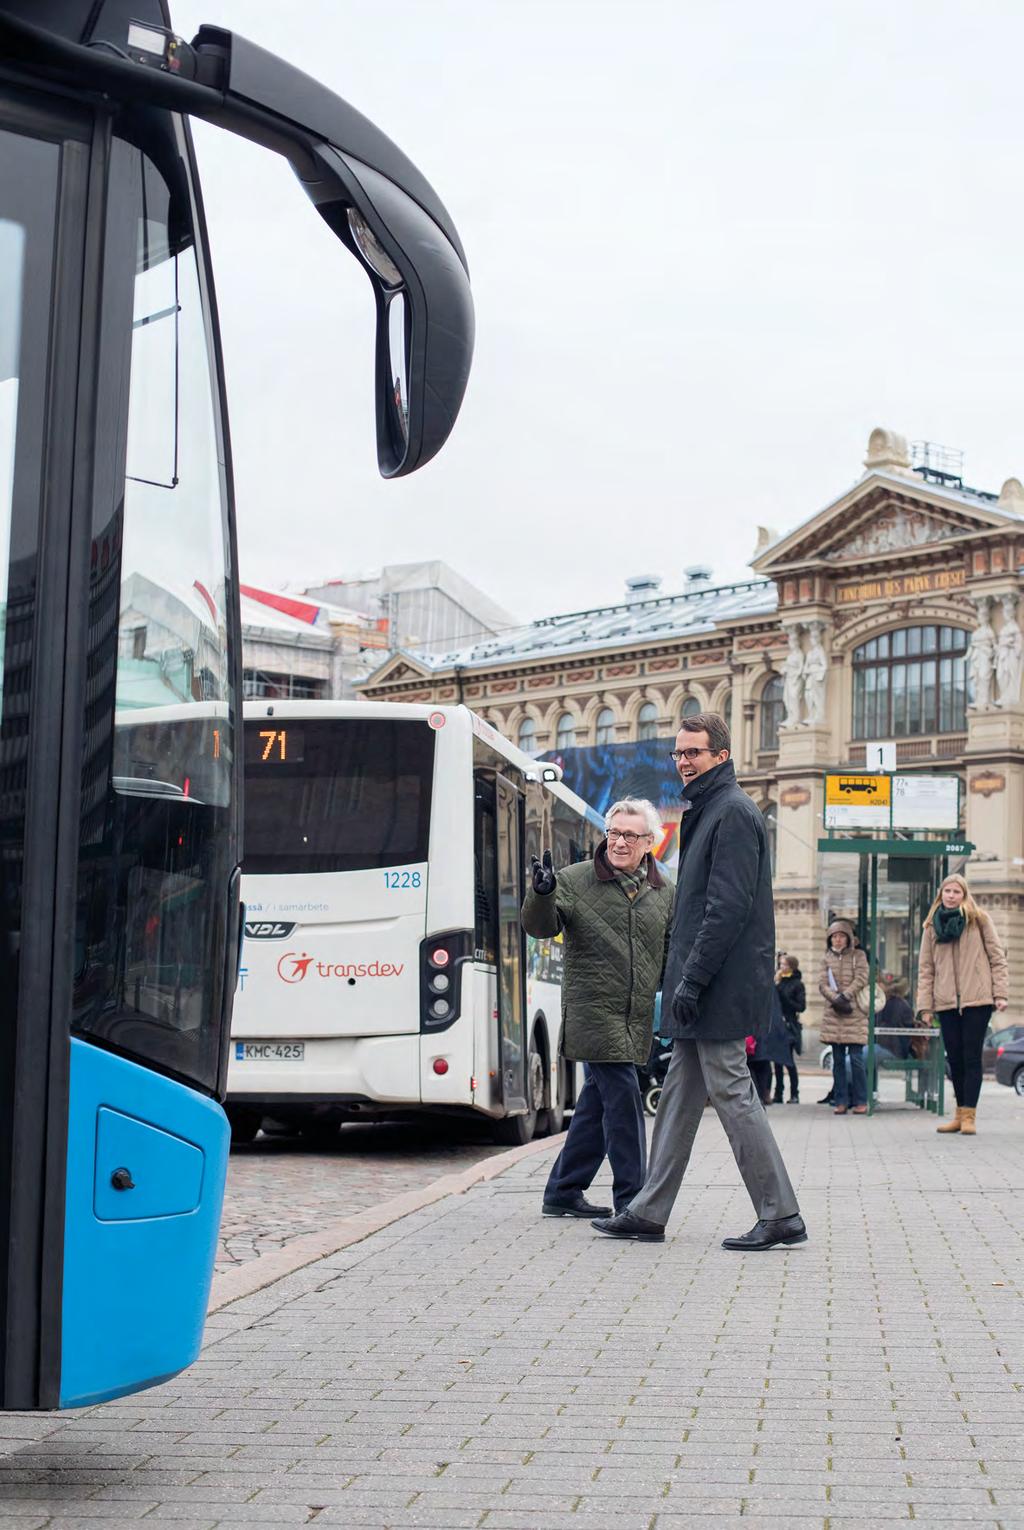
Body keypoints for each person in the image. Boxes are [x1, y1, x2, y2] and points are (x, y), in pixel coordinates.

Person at [593, 712, 806, 1251]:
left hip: (718, 982)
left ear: (722, 756)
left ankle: (780, 1213)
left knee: (733, 1092)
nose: (684, 761)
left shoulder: (731, 812)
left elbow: (726, 908)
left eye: (695, 752)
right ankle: (647, 1210)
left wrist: (691, 981)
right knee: (678, 1097)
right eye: (679, 753)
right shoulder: (707, 811)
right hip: (703, 980)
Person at [521, 797, 674, 1217]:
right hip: (593, 1010)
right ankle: (634, 1200)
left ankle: (563, 1191)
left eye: (629, 835)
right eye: (613, 833)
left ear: (649, 842)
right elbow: (539, 927)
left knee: (595, 1105)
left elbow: (671, 949)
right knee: (623, 1100)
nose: (619, 842)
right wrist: (542, 894)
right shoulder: (575, 879)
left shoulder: (664, 889)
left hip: (636, 1014)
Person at [917, 873, 1008, 1136]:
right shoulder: (931, 927)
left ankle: (970, 1115)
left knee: (971, 1057)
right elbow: (926, 969)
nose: (951, 896)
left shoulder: (978, 921)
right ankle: (958, 1114)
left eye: (956, 891)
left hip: (977, 999)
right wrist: (925, 1006)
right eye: (947, 891)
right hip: (945, 1002)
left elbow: (997, 958)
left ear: (964, 894)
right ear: (941, 894)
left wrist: (999, 993)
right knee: (954, 1059)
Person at [819, 920, 869, 1115]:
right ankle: (840, 1101)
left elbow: (862, 977)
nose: (838, 940)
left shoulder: (859, 956)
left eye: (841, 936)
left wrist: (846, 995)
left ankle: (861, 1100)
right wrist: (835, 998)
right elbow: (822, 984)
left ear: (848, 938)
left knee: (856, 1060)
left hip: (854, 1013)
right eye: (834, 936)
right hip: (834, 1015)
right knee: (837, 1061)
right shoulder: (826, 958)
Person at [771, 955, 804, 1104]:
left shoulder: (797, 984)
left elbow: (801, 1007)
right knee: (777, 1061)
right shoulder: (778, 981)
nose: (781, 967)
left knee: (789, 1061)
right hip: (777, 1025)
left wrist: (784, 995)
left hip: (789, 1025)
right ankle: (778, 1093)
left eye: (784, 964)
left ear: (791, 966)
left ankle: (794, 1094)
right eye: (780, 964)